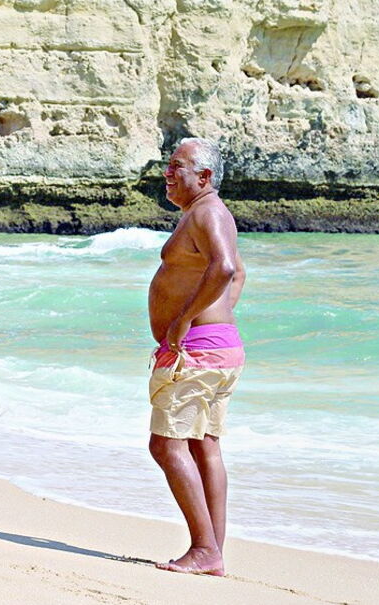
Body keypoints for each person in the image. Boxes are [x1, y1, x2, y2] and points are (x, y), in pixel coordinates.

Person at [147, 138, 246, 576]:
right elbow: (238, 271)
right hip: (215, 344)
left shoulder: (207, 212)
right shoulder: (203, 214)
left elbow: (225, 268)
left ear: (203, 177)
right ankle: (212, 551)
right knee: (203, 445)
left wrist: (187, 320)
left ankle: (206, 548)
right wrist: (218, 316)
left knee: (166, 446)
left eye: (177, 167)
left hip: (200, 351)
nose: (168, 174)